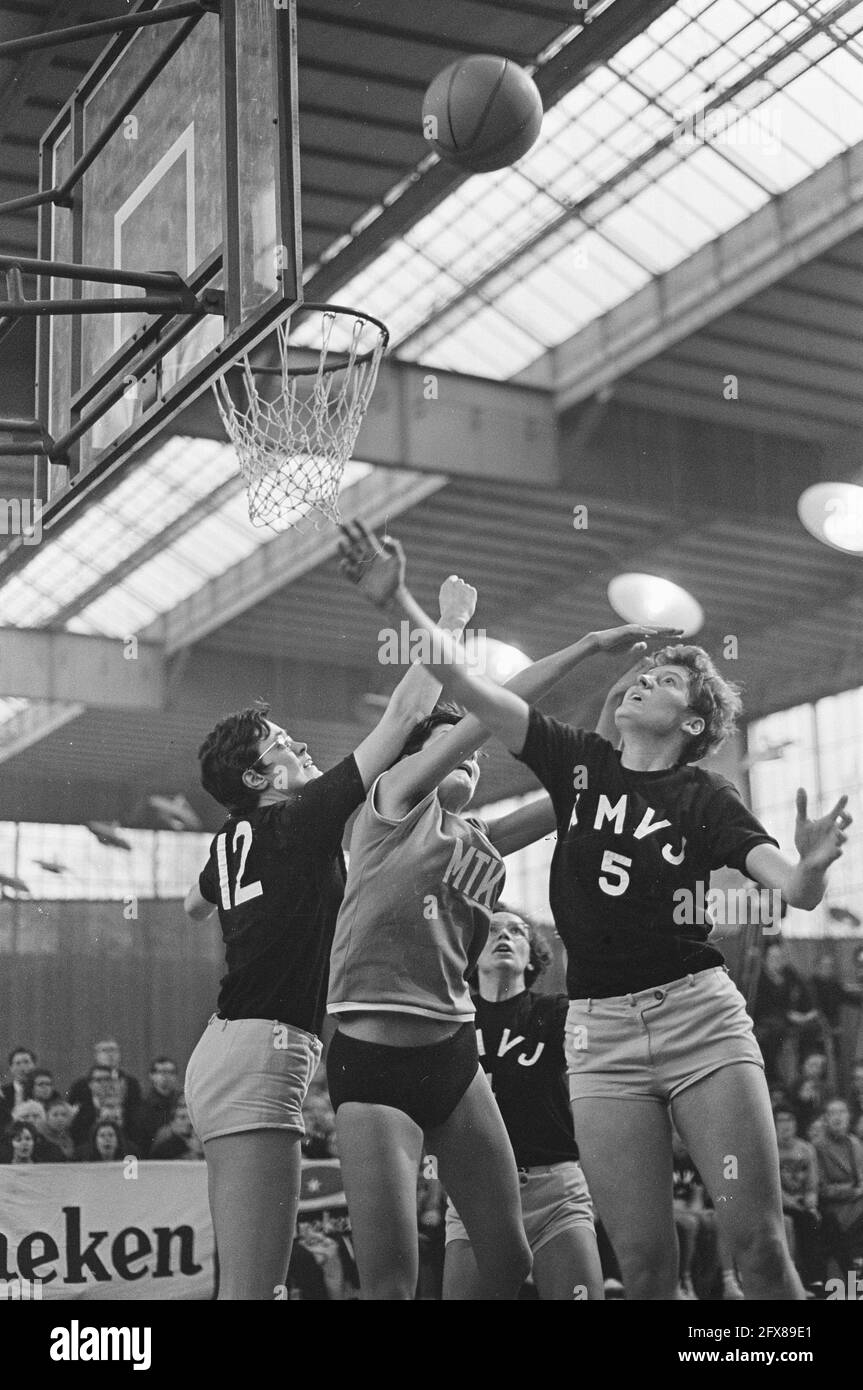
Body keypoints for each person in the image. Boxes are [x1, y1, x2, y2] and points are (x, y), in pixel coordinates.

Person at [364, 525, 852, 1300]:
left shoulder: (704, 797)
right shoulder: (575, 762)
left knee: (755, 1247)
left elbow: (788, 890)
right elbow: (472, 691)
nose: (639, 681)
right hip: (599, 1033)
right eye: (639, 675)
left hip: (698, 1017)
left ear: (692, 725)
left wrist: (813, 867)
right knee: (646, 1266)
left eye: (662, 682)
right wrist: (401, 602)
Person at [331, 524, 679, 1300]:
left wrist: (641, 745)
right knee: (388, 1283)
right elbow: (492, 712)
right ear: (422, 756)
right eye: (454, 746)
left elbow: (579, 790)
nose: (475, 758)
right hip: (373, 1054)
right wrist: (585, 646)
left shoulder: (478, 837)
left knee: (511, 1265)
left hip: (453, 1053)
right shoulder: (388, 806)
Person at [182, 572, 486, 1300]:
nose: (299, 746)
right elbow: (400, 716)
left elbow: (192, 905)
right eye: (283, 746)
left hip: (232, 1051)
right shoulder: (295, 821)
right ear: (261, 777)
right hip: (257, 1054)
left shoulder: (233, 838)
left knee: (246, 1284)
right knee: (253, 1290)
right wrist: (447, 620)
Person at [443, 907, 604, 1301]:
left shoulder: (556, 1011)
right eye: (493, 929)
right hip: (476, 1191)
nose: (504, 935)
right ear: (471, 954)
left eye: (517, 931)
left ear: (531, 956)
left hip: (555, 1191)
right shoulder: (451, 1020)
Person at [751, 942, 821, 1088]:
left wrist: (807, 1012)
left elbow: (804, 993)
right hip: (767, 1020)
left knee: (813, 1027)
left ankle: (806, 1070)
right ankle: (774, 1076)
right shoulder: (759, 978)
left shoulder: (789, 973)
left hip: (792, 1017)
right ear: (765, 959)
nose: (778, 960)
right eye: (773, 957)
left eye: (781, 957)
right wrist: (788, 1015)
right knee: (775, 1030)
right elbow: (762, 1007)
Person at [774, 1105, 824, 1291]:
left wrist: (812, 1201)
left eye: (790, 1120)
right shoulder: (769, 1148)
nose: (786, 1125)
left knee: (828, 1219)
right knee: (804, 1220)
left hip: (803, 1202)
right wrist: (796, 1205)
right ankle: (804, 1280)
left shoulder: (806, 1148)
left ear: (796, 1124)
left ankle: (821, 1280)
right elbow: (773, 1187)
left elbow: (813, 1183)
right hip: (780, 1202)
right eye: (781, 1120)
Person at [814, 1097, 863, 1270]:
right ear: (825, 1120)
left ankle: (856, 1263)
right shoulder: (818, 1147)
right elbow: (822, 1189)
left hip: (857, 1202)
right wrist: (852, 1192)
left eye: (842, 1112)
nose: (838, 1117)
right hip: (835, 1206)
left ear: (849, 1117)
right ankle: (856, 1264)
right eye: (832, 1113)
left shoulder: (855, 1143)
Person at [68, 1040, 142, 1125]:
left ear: (120, 1055)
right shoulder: (81, 1085)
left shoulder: (131, 1083)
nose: (110, 1054)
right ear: (96, 1055)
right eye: (105, 1050)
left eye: (113, 1050)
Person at [131, 1057, 180, 1156]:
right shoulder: (142, 1107)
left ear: (176, 1076)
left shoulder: (183, 1102)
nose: (166, 1076)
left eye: (170, 1072)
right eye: (161, 1072)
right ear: (152, 1076)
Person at [0, 1046, 36, 1128]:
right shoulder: (2, 1093)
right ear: (11, 1068)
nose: (22, 1068)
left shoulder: (40, 1091)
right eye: (18, 1063)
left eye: (26, 1062)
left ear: (34, 1066)